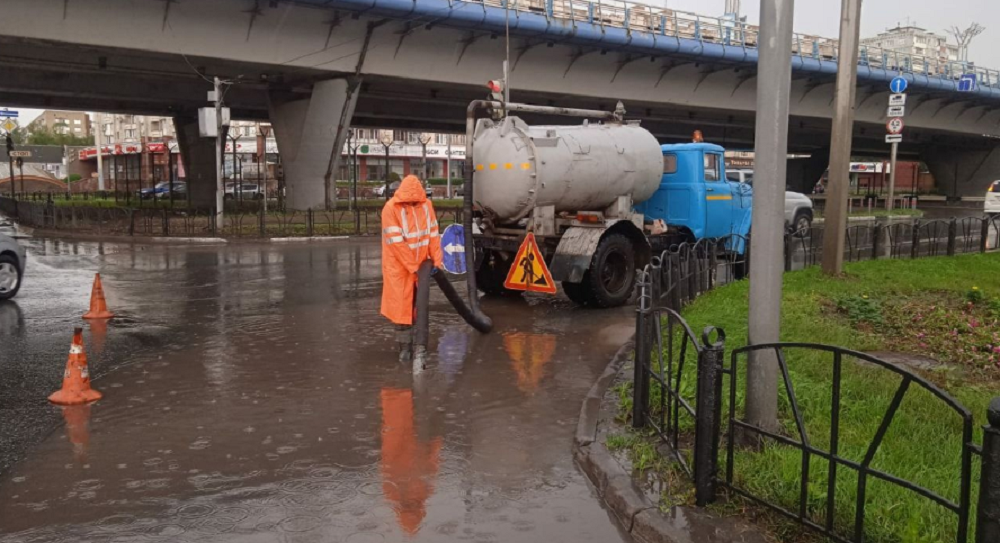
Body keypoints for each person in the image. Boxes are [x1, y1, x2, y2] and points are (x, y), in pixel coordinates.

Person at [381, 175, 444, 371]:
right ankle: (405, 349)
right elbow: (396, 243)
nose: (413, 203)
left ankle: (417, 346)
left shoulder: (426, 206)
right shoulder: (391, 209)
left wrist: (437, 261)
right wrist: (414, 267)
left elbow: (434, 235)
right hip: (399, 269)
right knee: (401, 310)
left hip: (421, 268)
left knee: (418, 308)